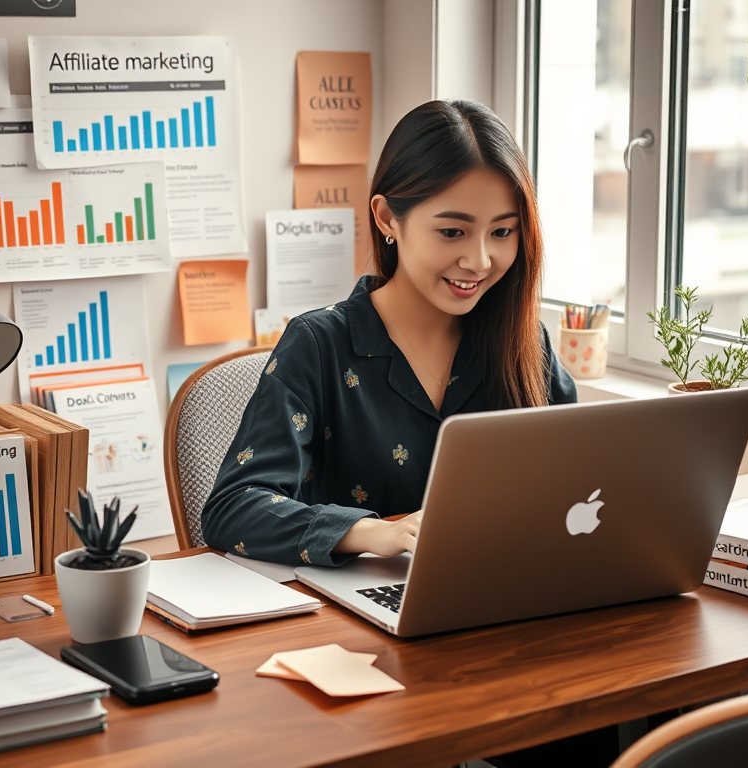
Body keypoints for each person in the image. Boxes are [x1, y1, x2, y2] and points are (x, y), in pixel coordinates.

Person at [201, 99, 577, 566]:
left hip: (505, 595)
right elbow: (231, 509)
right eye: (453, 232)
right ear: (386, 219)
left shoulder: (527, 344)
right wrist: (370, 532)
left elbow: (581, 485)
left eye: (502, 233)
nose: (479, 260)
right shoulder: (318, 345)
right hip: (356, 619)